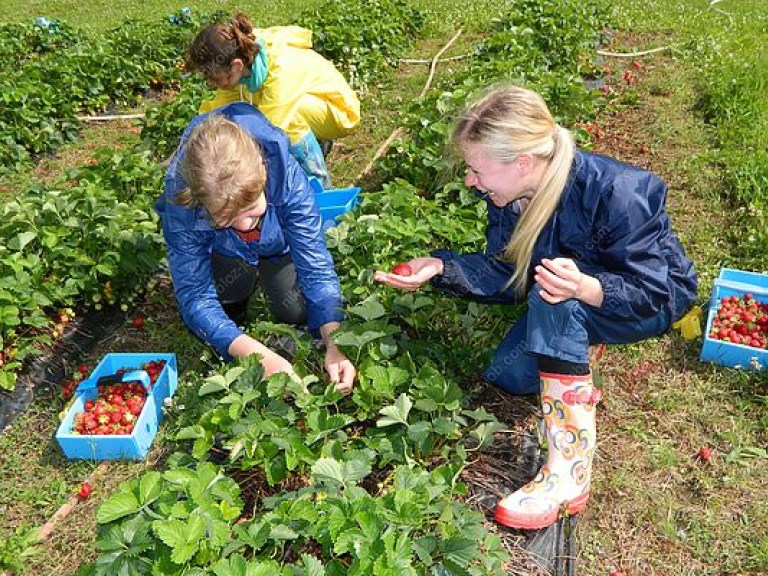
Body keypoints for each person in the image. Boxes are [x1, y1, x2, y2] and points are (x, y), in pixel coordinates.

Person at [373, 84, 697, 530]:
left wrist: (588, 288)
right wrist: (440, 267)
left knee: (554, 300)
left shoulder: (618, 192)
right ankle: (576, 342)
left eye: (475, 169)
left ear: (521, 162)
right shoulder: (509, 197)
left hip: (645, 299)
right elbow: (510, 275)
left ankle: (568, 474)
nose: (470, 181)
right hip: (578, 294)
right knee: (509, 374)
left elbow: (658, 290)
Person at [156, 101, 356, 393]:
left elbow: (315, 264)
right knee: (225, 297)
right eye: (225, 217)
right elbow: (195, 294)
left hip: (278, 244)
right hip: (224, 250)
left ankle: (268, 296)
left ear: (264, 173)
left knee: (295, 310)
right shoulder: (183, 200)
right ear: (199, 202)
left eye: (251, 210)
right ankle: (233, 317)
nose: (244, 225)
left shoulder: (283, 172)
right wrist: (254, 354)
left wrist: (334, 341)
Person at [186, 13, 361, 188]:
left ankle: (320, 185)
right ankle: (312, 145)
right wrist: (192, 141)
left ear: (237, 66)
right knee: (241, 115)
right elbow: (219, 108)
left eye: (216, 79)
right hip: (305, 105)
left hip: (337, 109)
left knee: (287, 121)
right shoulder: (244, 60)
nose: (212, 84)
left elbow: (271, 128)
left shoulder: (280, 67)